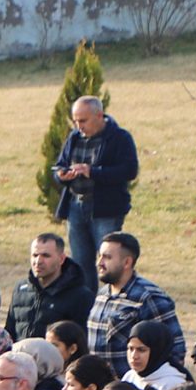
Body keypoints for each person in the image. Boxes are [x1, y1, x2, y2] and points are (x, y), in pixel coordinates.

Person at [53, 96, 138, 278]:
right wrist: (62, 176)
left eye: (83, 120)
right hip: (75, 206)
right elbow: (60, 165)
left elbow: (129, 171)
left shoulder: (120, 138)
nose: (79, 126)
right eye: (75, 121)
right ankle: (86, 304)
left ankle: (111, 300)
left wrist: (93, 172)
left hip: (105, 209)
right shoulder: (74, 137)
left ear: (99, 115)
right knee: (80, 264)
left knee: (109, 262)